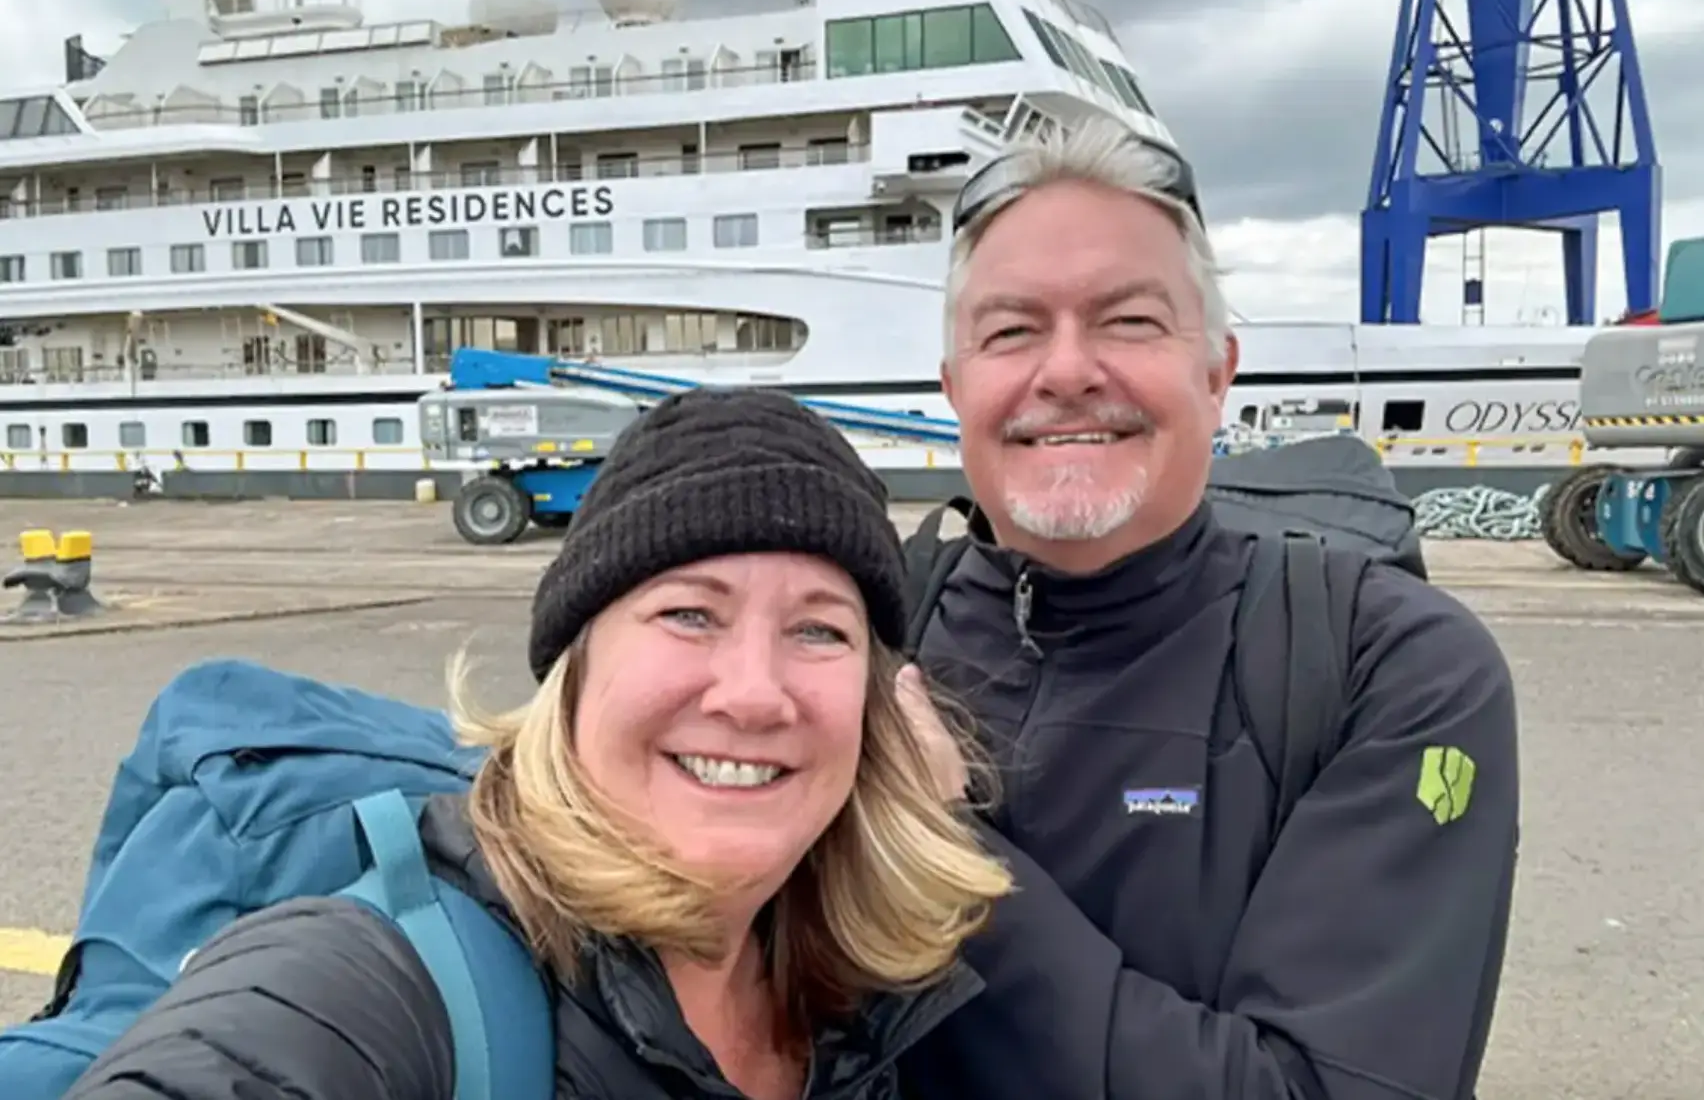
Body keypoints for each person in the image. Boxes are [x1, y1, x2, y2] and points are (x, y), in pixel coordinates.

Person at [61, 387, 1015, 1100]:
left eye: (819, 630)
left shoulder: (862, 988)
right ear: (575, 672)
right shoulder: (381, 985)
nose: (756, 694)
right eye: (689, 614)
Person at [892, 116, 1519, 1099]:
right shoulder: (864, 631)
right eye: (1011, 331)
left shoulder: (1388, 668)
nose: (1064, 371)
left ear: (1218, 372)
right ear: (954, 388)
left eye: (1129, 321)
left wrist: (940, 853)